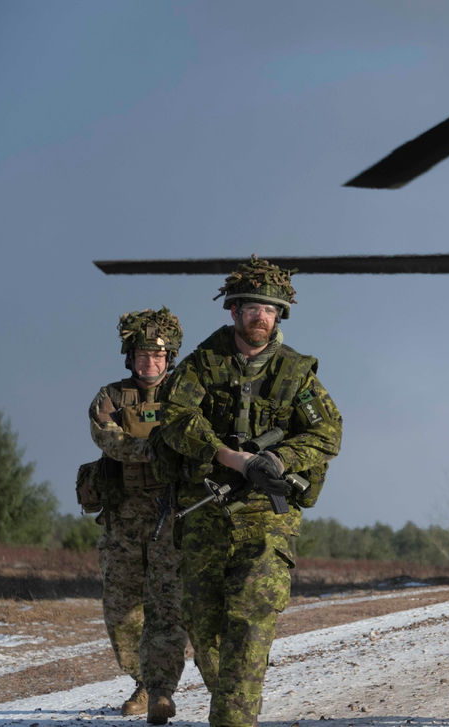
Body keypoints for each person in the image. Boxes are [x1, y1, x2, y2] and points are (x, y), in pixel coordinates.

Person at [154, 255, 341, 727]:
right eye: (253, 307)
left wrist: (278, 460)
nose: (262, 316)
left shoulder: (296, 374)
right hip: (204, 513)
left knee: (250, 623)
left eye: (271, 309)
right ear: (233, 310)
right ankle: (232, 701)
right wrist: (229, 457)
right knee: (207, 628)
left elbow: (328, 433)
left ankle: (234, 720)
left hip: (266, 517)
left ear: (280, 316)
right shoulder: (201, 364)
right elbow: (174, 419)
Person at [86, 307, 188, 724]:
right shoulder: (109, 396)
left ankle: (160, 689)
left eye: (159, 357)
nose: (151, 363)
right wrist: (149, 451)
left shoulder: (185, 394)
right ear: (130, 358)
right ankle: (142, 678)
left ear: (170, 359)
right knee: (122, 607)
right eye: (143, 356)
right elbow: (106, 436)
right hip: (124, 517)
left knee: (166, 604)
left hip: (172, 514)